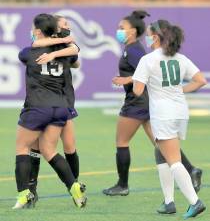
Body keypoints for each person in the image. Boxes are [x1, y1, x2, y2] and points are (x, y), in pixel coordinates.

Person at [102, 11, 202, 200]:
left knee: (122, 141)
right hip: (150, 104)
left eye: (122, 28)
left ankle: (122, 185)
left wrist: (126, 80)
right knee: (161, 144)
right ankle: (190, 171)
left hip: (137, 102)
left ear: (133, 31)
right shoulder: (133, 49)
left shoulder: (135, 50)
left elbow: (144, 74)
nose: (118, 31)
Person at [132, 19, 206, 218]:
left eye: (148, 34)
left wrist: (136, 80)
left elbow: (137, 91)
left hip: (163, 114)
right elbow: (201, 80)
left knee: (174, 161)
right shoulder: (180, 58)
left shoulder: (147, 60)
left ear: (155, 37)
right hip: (180, 111)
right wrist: (180, 89)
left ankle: (194, 202)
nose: (146, 38)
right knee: (161, 152)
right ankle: (168, 202)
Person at [13, 13, 86, 209]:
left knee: (23, 148)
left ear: (38, 31)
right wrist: (60, 44)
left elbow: (29, 52)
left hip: (38, 106)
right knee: (48, 150)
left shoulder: (28, 53)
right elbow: (75, 54)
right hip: (60, 107)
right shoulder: (66, 51)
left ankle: (24, 194)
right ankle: (73, 186)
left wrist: (53, 49)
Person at [28, 15, 80, 204]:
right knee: (36, 146)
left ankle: (74, 186)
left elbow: (76, 57)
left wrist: (57, 53)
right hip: (51, 102)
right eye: (65, 24)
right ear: (55, 29)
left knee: (67, 146)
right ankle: (33, 191)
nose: (68, 27)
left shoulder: (62, 49)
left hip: (59, 102)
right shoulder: (42, 47)